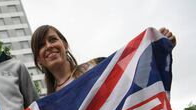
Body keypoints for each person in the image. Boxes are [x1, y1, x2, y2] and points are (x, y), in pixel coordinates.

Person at [31, 25, 177, 95]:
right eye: (41, 45)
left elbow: (137, 76)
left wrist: (158, 47)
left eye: (53, 40)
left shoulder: (98, 67)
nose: (49, 46)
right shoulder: (49, 105)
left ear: (64, 44)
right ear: (38, 59)